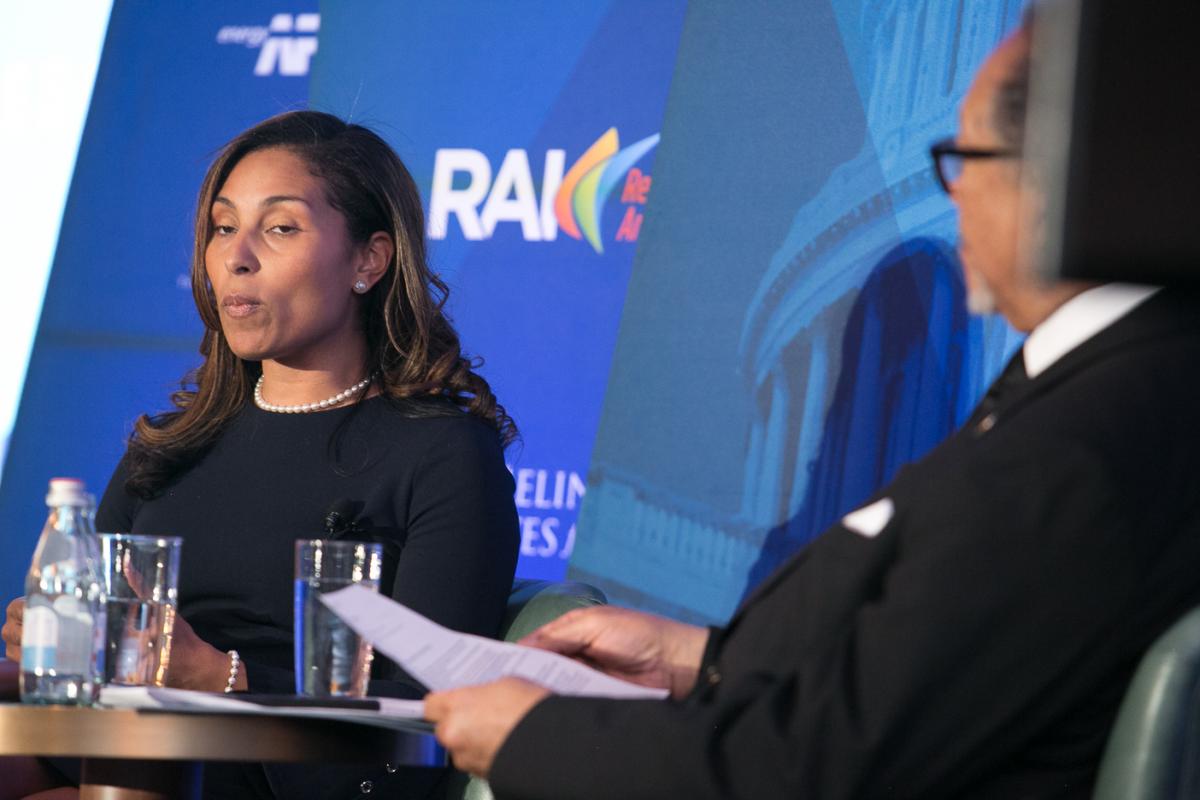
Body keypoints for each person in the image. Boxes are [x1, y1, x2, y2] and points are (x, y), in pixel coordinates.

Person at [423, 19, 1200, 800]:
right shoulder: (1105, 392)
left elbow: (807, 766)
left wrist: (532, 738)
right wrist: (704, 660)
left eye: (967, 159)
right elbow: (915, 680)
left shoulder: (1074, 452)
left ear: (1057, 176)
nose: (955, 191)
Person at [2, 110, 520, 799]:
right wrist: (52, 640)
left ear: (368, 260)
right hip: (111, 753)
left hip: (281, 778)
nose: (236, 257)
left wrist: (220, 677)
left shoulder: (443, 456)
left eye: (279, 228)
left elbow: (435, 717)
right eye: (223, 227)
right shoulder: (170, 446)